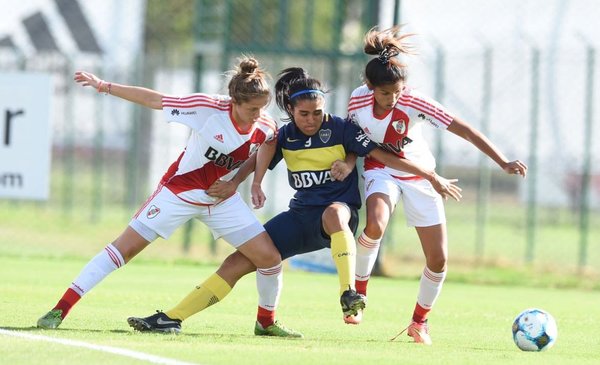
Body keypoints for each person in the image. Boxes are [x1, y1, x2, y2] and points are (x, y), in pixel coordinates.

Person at [126, 67, 461, 337]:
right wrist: (237, 182)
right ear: (290, 111)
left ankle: (349, 294)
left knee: (333, 212)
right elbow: (256, 157)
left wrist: (430, 176)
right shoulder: (284, 137)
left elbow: (382, 156)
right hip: (300, 218)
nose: (312, 119)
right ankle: (172, 317)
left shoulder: (341, 129)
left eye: (317, 112)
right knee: (239, 261)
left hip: (338, 218)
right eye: (304, 114)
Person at [36, 57, 289, 333]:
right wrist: (104, 86)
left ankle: (265, 323)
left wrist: (248, 182)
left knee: (269, 258)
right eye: (252, 108)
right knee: (123, 250)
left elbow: (270, 140)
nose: (258, 114)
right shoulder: (207, 108)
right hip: (178, 193)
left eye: (262, 108)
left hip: (221, 201)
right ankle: (61, 308)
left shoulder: (264, 123)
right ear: (234, 101)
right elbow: (157, 100)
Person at [346, 27, 528, 344]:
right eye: (385, 93)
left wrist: (502, 161)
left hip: (421, 174)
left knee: (438, 258)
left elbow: (465, 129)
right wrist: (348, 162)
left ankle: (420, 322)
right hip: (381, 169)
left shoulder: (415, 101)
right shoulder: (356, 101)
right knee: (374, 224)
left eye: (397, 92)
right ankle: (357, 296)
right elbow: (353, 140)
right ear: (370, 87)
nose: (392, 99)